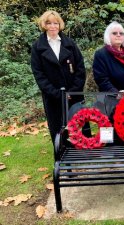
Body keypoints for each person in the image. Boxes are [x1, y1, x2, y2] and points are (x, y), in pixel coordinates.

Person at [31, 10, 87, 145]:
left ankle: (84, 151)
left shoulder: (70, 43)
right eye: (49, 23)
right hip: (53, 96)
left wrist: (73, 91)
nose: (53, 26)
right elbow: (39, 75)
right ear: (44, 25)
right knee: (58, 128)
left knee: (79, 123)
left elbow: (80, 68)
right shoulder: (37, 47)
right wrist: (57, 94)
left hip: (74, 94)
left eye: (55, 23)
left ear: (60, 24)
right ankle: (61, 153)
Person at [93, 21, 124, 93]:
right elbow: (101, 80)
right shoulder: (101, 54)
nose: (118, 35)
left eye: (121, 33)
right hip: (112, 98)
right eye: (114, 33)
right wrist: (117, 93)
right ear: (108, 36)